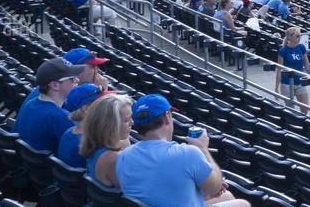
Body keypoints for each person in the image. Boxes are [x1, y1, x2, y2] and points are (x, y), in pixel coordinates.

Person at [116, 94, 247, 206]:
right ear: (167, 117)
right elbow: (215, 187)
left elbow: (158, 189)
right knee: (243, 204)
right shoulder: (188, 153)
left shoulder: (123, 156)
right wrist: (203, 149)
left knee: (227, 196)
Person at [15, 57, 83, 152]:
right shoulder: (60, 117)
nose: (77, 80)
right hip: (41, 165)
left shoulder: (31, 103)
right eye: (72, 78)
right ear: (55, 85)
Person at [79, 93, 134, 189]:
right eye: (126, 120)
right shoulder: (113, 159)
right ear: (110, 126)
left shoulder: (96, 143)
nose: (132, 122)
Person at [57, 83, 113, 167]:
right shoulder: (92, 145)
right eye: (102, 103)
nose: (106, 107)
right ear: (86, 109)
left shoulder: (69, 132)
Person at [274, 26, 310, 113]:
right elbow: (279, 69)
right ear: (290, 37)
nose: (299, 38)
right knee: (290, 109)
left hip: (299, 81)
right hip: (287, 82)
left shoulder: (301, 47)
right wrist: (276, 87)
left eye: (300, 36)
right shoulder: (283, 50)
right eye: (297, 36)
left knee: (305, 108)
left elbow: (307, 64)